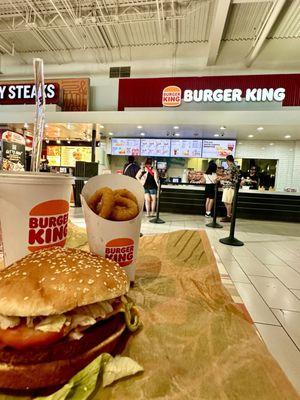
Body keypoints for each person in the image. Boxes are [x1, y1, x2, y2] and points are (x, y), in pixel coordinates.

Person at [220, 155, 239, 222]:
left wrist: (220, 178)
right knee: (227, 201)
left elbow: (229, 177)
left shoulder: (231, 167)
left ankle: (229, 216)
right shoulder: (234, 166)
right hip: (230, 186)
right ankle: (229, 215)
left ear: (227, 160)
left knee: (227, 202)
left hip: (229, 186)